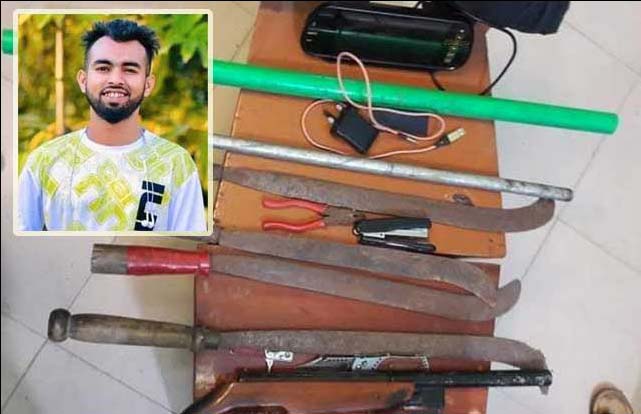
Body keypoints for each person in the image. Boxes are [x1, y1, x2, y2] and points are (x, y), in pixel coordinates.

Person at [17, 19, 206, 232]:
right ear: (83, 80)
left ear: (148, 84)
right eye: (103, 68)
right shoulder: (44, 161)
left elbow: (188, 248)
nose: (116, 79)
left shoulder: (175, 164)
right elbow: (19, 240)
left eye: (130, 69)